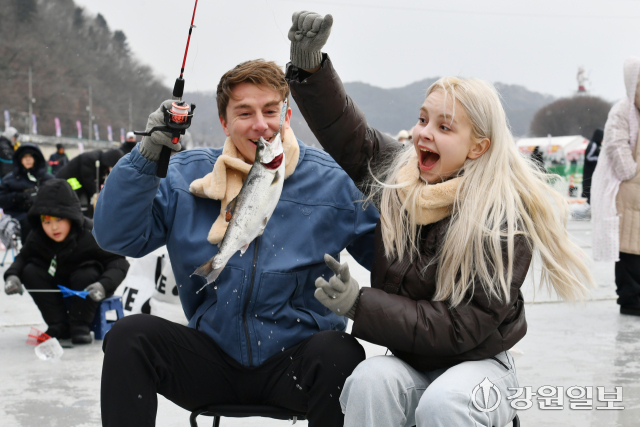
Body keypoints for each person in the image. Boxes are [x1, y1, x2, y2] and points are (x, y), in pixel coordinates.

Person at [285, 12, 594, 427]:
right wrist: (310, 70)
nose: (423, 133)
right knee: (369, 381)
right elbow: (351, 138)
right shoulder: (401, 178)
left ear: (478, 147)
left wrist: (360, 302)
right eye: (422, 119)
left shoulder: (502, 217)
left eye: (444, 127)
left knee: (444, 403)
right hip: (412, 364)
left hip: (482, 367)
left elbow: (463, 326)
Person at [92, 59, 379, 427]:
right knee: (129, 336)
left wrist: (358, 298)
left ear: (287, 116)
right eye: (244, 113)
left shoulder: (332, 181)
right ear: (225, 123)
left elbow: (390, 261)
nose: (260, 124)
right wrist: (145, 158)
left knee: (341, 351)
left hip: (295, 367)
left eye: (270, 111)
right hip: (212, 363)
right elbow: (117, 236)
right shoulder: (186, 175)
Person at [3, 179, 129, 343]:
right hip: (57, 282)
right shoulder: (38, 236)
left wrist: (104, 285)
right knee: (30, 271)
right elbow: (22, 258)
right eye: (47, 222)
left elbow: (119, 262)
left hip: (88, 286)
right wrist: (12, 276)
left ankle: (80, 326)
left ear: (71, 216)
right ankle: (58, 325)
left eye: (59, 220)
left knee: (86, 273)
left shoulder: (91, 233)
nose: (53, 228)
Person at [591, 57, 640, 317]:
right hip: (628, 192)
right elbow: (615, 145)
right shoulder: (622, 111)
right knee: (630, 250)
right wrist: (631, 171)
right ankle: (630, 300)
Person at [0, 143, 54, 240]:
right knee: (28, 222)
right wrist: (18, 197)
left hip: (44, 214)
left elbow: (58, 195)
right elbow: (1, 199)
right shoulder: (10, 180)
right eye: (24, 157)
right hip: (19, 216)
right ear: (19, 159)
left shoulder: (47, 178)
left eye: (31, 156)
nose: (28, 159)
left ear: (36, 158)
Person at [55, 148, 124, 218]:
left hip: (78, 181)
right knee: (76, 199)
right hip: (67, 180)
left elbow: (98, 180)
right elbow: (88, 179)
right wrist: (95, 193)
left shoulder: (102, 165)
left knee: (83, 199)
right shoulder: (90, 159)